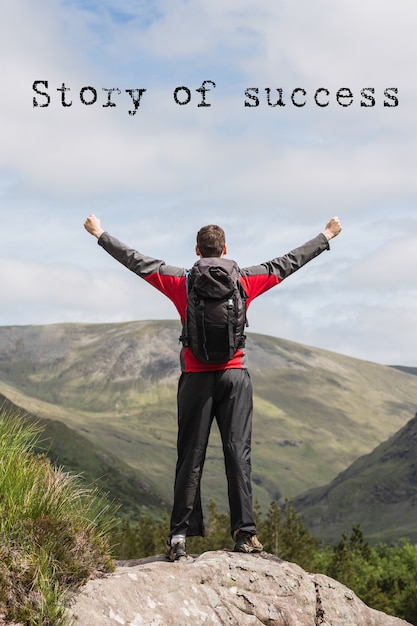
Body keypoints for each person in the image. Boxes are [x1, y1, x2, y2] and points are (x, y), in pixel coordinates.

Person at [84, 214, 342, 560]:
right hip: (234, 377)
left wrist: (100, 233)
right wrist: (325, 235)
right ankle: (246, 534)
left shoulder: (182, 282)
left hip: (195, 379)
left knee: (190, 457)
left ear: (197, 250)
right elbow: (288, 263)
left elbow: (136, 261)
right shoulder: (246, 280)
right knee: (238, 454)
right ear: (225, 249)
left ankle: (179, 538)